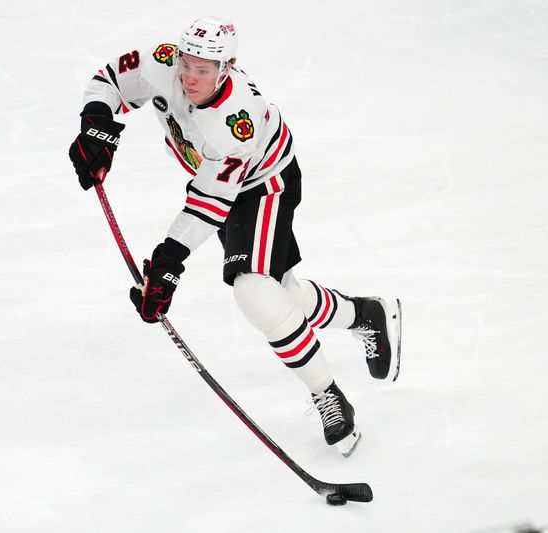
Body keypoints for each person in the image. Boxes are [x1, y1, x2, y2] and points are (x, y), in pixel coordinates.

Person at [68, 17, 401, 457]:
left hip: (264, 184)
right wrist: (96, 123)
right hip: (223, 186)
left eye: (204, 70)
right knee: (283, 296)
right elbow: (108, 79)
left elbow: (210, 201)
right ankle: (366, 314)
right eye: (187, 63)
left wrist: (169, 261)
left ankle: (329, 395)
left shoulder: (234, 122)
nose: (190, 76)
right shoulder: (163, 62)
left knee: (254, 292)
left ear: (227, 67)